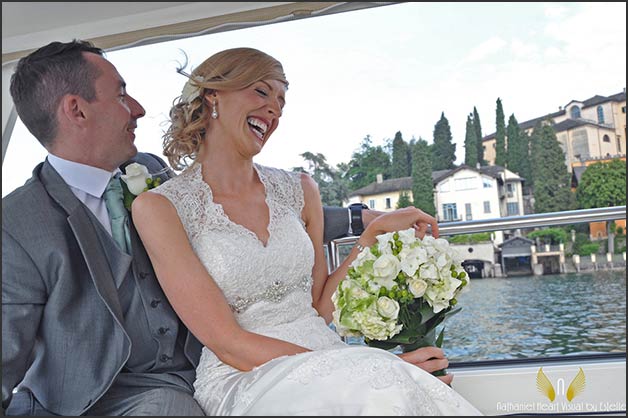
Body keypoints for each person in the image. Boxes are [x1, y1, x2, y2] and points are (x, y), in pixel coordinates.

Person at [0, 40, 447, 416]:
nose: (137, 108)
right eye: (121, 95)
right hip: (107, 391)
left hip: (196, 370)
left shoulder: (150, 173)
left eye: (281, 100)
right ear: (76, 111)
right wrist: (366, 367)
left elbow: (258, 221)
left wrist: (366, 229)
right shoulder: (20, 223)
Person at [132, 47, 482, 415]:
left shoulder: (300, 189)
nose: (274, 110)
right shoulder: (160, 207)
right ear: (212, 96)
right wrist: (367, 369)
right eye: (262, 92)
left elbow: (318, 307)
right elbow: (228, 342)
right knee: (385, 388)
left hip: (325, 356)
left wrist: (369, 240)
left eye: (281, 101)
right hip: (244, 374)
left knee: (390, 391)